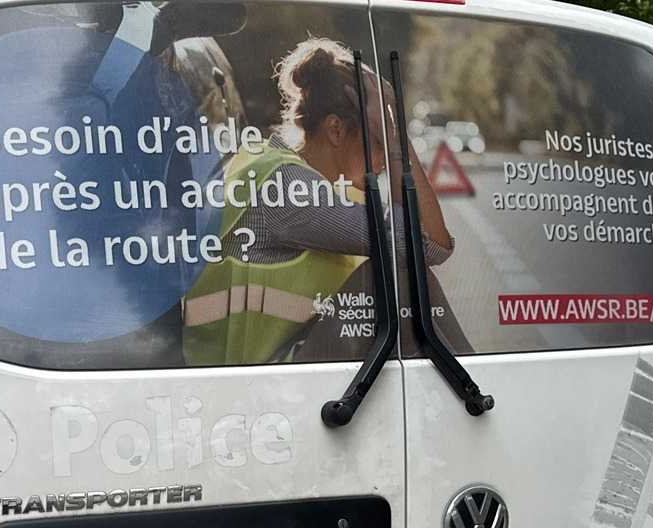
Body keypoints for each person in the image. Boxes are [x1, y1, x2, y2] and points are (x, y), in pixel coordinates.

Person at [182, 37, 458, 365]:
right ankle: (476, 390)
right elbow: (427, 245)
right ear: (336, 130)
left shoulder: (300, 177)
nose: (387, 156)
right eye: (378, 138)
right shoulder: (288, 189)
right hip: (253, 379)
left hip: (277, 369)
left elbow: (423, 239)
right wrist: (399, 142)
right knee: (402, 278)